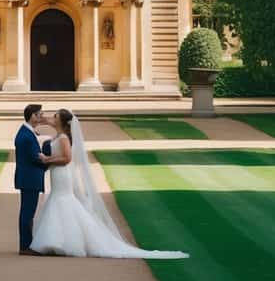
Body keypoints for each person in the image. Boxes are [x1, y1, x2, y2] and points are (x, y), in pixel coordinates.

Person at [29, 108, 189, 260]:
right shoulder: (59, 135)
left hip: (62, 173)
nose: (53, 118)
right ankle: (57, 240)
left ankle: (65, 242)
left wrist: (47, 159)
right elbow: (50, 123)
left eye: (56, 116)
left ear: (62, 122)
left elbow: (67, 159)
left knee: (63, 201)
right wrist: (40, 120)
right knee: (58, 200)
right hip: (57, 173)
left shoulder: (63, 138)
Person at [13, 103, 49, 255]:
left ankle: (26, 244)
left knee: (27, 212)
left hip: (28, 178)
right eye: (39, 114)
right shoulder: (26, 136)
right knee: (28, 213)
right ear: (32, 116)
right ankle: (25, 246)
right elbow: (36, 158)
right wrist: (50, 161)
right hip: (29, 179)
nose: (41, 117)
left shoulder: (27, 132)